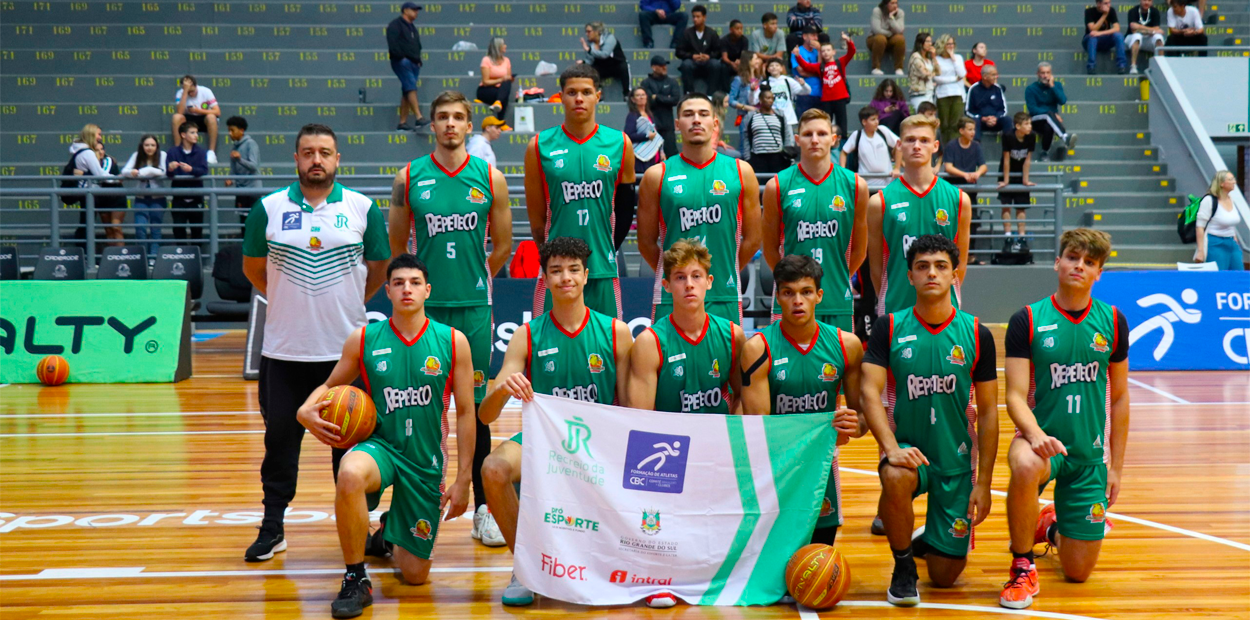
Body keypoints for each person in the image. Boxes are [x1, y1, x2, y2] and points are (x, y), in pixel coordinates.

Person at [293, 254, 476, 618]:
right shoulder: (363, 338)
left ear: (427, 290)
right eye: (398, 283)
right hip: (382, 448)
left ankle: (389, 530)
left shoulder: (454, 342)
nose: (406, 288)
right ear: (388, 291)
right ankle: (355, 578)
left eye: (414, 282)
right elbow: (330, 385)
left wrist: (464, 479)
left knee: (415, 575)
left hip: (426, 461)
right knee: (349, 473)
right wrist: (304, 410)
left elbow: (468, 413)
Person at [241, 123, 391, 563]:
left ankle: (360, 529)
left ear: (338, 159)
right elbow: (255, 271)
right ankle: (273, 528)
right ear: (296, 159)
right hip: (285, 352)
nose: (316, 160)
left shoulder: (362, 208)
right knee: (280, 442)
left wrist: (345, 303)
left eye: (325, 152)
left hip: (343, 353)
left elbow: (378, 267)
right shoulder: (267, 208)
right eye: (308, 152)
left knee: (351, 444)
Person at [387, 91, 514, 549]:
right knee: (415, 406)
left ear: (469, 125)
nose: (449, 125)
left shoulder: (490, 177)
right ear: (433, 126)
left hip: (475, 310)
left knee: (476, 409)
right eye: (441, 117)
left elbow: (502, 245)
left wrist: (476, 279)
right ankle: (408, 509)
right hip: (423, 312)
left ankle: (485, 508)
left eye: (458, 117)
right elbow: (400, 248)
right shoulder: (408, 178)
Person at [478, 237, 634, 608]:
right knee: (493, 469)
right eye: (556, 271)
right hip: (544, 441)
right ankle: (526, 567)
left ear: (586, 275)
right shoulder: (526, 335)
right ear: (544, 278)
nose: (565, 278)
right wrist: (502, 389)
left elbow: (632, 408)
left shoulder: (616, 333)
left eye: (573, 270)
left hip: (600, 442)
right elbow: (486, 415)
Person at [860, 233, 998, 607]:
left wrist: (984, 483)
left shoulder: (977, 333)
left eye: (940, 266)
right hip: (910, 450)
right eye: (922, 267)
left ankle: (926, 539)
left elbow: (987, 413)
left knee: (945, 577)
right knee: (893, 473)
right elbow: (868, 392)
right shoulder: (889, 327)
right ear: (909, 276)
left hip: (956, 461)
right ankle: (903, 565)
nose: (931, 274)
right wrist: (890, 448)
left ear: (956, 275)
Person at [998, 228, 1131, 609]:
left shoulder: (1113, 321)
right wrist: (1035, 434)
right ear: (1057, 263)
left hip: (1089, 456)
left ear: (1099, 273)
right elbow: (1014, 396)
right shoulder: (1027, 319)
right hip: (1044, 444)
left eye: (1090, 262)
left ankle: (1050, 527)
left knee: (1078, 572)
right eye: (1072, 258)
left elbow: (1120, 399)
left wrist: (1116, 467)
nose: (1079, 266)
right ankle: (1022, 566)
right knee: (1024, 464)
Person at [740, 254, 866, 546]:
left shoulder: (847, 345)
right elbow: (759, 430)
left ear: (819, 296)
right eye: (788, 293)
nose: (798, 301)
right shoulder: (758, 348)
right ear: (778, 298)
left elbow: (861, 422)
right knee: (776, 567)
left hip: (822, 468)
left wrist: (852, 425)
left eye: (806, 292)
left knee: (817, 563)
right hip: (777, 468)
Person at [638, 93, 761, 324]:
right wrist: (677, 276)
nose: (696, 120)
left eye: (703, 114)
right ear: (677, 124)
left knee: (727, 360)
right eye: (688, 114)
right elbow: (645, 243)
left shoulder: (741, 171)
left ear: (715, 123)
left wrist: (726, 272)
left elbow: (753, 240)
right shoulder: (656, 175)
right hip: (672, 297)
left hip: (724, 294)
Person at [524, 64, 636, 319]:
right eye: (572, 92)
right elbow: (537, 220)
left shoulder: (620, 143)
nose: (579, 98)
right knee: (550, 349)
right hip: (558, 271)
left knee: (609, 349)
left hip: (603, 268)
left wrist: (607, 248)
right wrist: (551, 254)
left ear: (598, 95)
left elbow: (626, 207)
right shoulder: (539, 146)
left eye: (586, 92)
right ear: (561, 96)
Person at [763, 108, 870, 331]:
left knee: (836, 365)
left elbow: (860, 250)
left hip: (836, 300)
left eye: (821, 134)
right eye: (808, 134)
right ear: (797, 139)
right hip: (791, 301)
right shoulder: (777, 185)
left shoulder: (855, 185)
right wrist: (791, 280)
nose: (814, 140)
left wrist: (836, 276)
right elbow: (770, 249)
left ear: (833, 139)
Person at [867, 114, 972, 317]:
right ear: (899, 145)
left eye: (924, 140)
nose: (917, 146)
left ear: (935, 146)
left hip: (944, 312)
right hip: (896, 310)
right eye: (910, 140)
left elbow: (960, 265)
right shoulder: (879, 202)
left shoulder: (959, 200)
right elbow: (877, 269)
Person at [627, 238, 746, 417]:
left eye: (696, 276)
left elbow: (743, 398)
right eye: (680, 277)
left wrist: (730, 434)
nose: (689, 284)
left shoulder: (732, 335)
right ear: (666, 286)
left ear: (709, 281)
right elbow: (639, 417)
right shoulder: (649, 343)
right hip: (669, 441)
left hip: (716, 437)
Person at [791, 33, 856, 139]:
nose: (826, 53)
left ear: (834, 52)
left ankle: (842, 146)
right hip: (826, 100)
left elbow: (851, 52)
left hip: (840, 98)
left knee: (842, 125)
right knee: (826, 125)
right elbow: (806, 66)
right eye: (823, 51)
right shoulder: (819, 66)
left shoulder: (840, 62)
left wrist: (848, 40)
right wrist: (798, 56)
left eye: (828, 50)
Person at [943, 118, 987, 263]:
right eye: (969, 129)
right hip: (953, 190)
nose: (972, 132)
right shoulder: (951, 145)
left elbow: (983, 166)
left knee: (972, 222)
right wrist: (965, 175)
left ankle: (970, 256)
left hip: (971, 191)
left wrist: (977, 174)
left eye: (973, 129)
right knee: (951, 220)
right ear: (961, 131)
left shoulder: (976, 146)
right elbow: (948, 167)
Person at [121, 134, 168, 255]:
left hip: (158, 198)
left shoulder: (162, 155)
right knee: (140, 228)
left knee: (155, 229)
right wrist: (132, 172)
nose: (150, 148)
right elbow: (124, 171)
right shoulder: (136, 155)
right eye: (147, 145)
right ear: (142, 146)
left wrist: (147, 170)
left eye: (153, 145)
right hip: (141, 198)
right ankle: (142, 256)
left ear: (157, 146)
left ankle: (153, 257)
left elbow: (164, 172)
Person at [387, 2, 430, 130]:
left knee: (407, 90)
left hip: (413, 63)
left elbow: (417, 45)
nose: (416, 12)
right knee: (411, 86)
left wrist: (417, 60)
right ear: (405, 10)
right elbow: (393, 44)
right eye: (414, 10)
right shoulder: (395, 25)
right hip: (403, 62)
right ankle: (418, 117)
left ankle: (402, 122)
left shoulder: (412, 27)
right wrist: (402, 57)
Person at [999, 112, 1037, 252]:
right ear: (1017, 126)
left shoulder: (1032, 136)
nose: (1030, 127)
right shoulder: (1008, 136)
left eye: (1030, 123)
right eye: (1026, 124)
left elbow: (1028, 159)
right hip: (1007, 171)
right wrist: (1006, 180)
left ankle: (1022, 238)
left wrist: (1025, 180)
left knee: (1021, 207)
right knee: (1006, 206)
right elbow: (1006, 159)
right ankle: (1008, 237)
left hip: (1020, 174)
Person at [166, 122, 209, 243]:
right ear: (183, 135)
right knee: (178, 230)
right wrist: (170, 168)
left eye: (196, 133)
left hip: (196, 198)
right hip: (179, 198)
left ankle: (197, 258)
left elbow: (204, 170)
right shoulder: (172, 152)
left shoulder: (201, 152)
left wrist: (191, 170)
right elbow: (168, 175)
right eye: (192, 132)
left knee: (197, 231)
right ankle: (182, 256)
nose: (196, 135)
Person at [1025, 62, 1078, 160]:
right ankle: (1065, 137)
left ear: (1051, 74)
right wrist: (1052, 114)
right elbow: (1032, 109)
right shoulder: (1031, 89)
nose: (1045, 76)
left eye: (1047, 73)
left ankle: (1044, 152)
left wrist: (1052, 86)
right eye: (1042, 73)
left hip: (1051, 121)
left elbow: (1063, 101)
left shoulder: (1056, 85)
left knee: (1048, 126)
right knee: (1048, 114)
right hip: (1036, 120)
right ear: (1038, 74)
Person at [841, 106, 901, 192]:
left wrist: (897, 168)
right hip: (866, 185)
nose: (877, 122)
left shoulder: (883, 131)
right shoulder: (857, 135)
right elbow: (844, 152)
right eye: (873, 119)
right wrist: (843, 170)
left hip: (887, 183)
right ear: (864, 122)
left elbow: (899, 145)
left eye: (877, 119)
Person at [1194, 171, 1245, 270]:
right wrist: (1201, 250)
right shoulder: (1209, 200)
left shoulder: (1231, 199)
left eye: (1234, 179)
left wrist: (1234, 238)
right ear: (1221, 183)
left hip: (1231, 242)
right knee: (1219, 275)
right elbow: (1200, 226)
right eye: (1230, 180)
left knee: (1238, 273)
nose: (1234, 182)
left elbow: (1231, 222)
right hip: (1215, 242)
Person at [741, 87, 794, 173]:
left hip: (777, 157)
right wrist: (748, 158)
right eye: (768, 98)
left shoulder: (780, 115)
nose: (771, 101)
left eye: (772, 98)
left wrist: (787, 154)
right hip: (758, 157)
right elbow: (746, 137)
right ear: (761, 100)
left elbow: (787, 134)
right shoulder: (751, 116)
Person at [172, 75, 221, 163]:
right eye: (188, 92)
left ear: (196, 86)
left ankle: (211, 152)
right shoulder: (181, 93)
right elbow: (179, 112)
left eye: (192, 91)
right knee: (176, 117)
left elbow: (217, 112)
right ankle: (178, 152)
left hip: (203, 118)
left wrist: (198, 110)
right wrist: (185, 92)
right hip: (188, 120)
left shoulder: (206, 91)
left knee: (212, 117)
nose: (191, 94)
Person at [675, 5, 722, 95]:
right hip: (693, 63)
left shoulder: (712, 33)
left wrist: (709, 56)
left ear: (704, 17)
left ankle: (711, 95)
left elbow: (718, 51)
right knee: (686, 64)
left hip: (707, 64)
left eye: (698, 17)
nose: (695, 19)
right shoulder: (687, 33)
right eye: (693, 17)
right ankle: (689, 93)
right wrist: (692, 56)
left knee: (715, 64)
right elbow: (679, 52)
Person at [643, 55, 682, 158]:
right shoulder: (646, 83)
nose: (665, 68)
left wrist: (657, 97)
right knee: (651, 154)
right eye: (661, 66)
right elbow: (648, 101)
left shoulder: (672, 82)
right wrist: (665, 98)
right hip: (652, 123)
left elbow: (675, 100)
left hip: (667, 124)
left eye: (665, 65)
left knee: (671, 153)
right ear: (654, 67)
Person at [582, 22, 631, 101]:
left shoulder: (610, 38)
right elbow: (590, 60)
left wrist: (589, 50)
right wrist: (583, 63)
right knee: (591, 70)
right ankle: (598, 94)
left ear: (597, 32)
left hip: (616, 65)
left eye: (589, 31)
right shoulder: (589, 43)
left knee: (624, 67)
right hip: (603, 67)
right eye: (586, 31)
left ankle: (627, 93)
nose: (587, 34)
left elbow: (605, 54)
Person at [933, 35, 967, 145]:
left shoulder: (958, 57)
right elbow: (937, 78)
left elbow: (962, 74)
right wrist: (954, 79)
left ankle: (954, 149)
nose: (951, 46)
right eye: (948, 44)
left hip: (957, 94)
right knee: (945, 124)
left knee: (955, 124)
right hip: (942, 94)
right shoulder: (936, 59)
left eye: (952, 44)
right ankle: (944, 149)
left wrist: (953, 58)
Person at [626, 87, 667, 177]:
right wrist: (646, 136)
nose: (641, 97)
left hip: (653, 155)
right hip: (641, 157)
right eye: (638, 95)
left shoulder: (649, 114)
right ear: (633, 99)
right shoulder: (632, 115)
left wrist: (661, 151)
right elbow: (628, 135)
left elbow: (655, 134)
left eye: (643, 95)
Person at [92, 142, 127, 246]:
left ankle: (121, 256)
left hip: (116, 197)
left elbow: (103, 176)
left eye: (102, 149)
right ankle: (112, 257)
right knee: (108, 231)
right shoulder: (89, 163)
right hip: (102, 199)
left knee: (116, 227)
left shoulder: (109, 160)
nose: (100, 152)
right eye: (97, 150)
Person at [965, 65, 1011, 142]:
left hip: (995, 120)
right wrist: (982, 118)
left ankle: (1009, 149)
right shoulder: (973, 89)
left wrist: (996, 118)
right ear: (985, 76)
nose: (996, 77)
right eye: (993, 75)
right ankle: (976, 148)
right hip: (980, 121)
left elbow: (1003, 110)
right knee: (974, 121)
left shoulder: (998, 89)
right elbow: (968, 111)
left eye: (996, 74)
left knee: (1008, 120)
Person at [225, 116, 260, 216]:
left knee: (253, 220)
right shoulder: (234, 148)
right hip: (240, 190)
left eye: (232, 130)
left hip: (253, 190)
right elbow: (233, 170)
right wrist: (230, 179)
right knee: (242, 220)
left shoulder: (251, 144)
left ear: (241, 130)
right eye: (228, 130)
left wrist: (240, 159)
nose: (229, 133)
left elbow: (254, 166)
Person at [764, 58, 810, 132]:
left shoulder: (788, 80)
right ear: (768, 69)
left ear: (781, 68)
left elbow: (806, 91)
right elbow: (754, 100)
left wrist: (803, 84)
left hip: (789, 119)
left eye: (777, 65)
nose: (774, 67)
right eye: (771, 66)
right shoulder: (765, 84)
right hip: (772, 120)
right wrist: (753, 91)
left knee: (790, 142)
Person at [1083, 0, 1128, 74]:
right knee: (1092, 38)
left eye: (1109, 2)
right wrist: (1104, 15)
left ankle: (1121, 65)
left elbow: (1117, 28)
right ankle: (1091, 66)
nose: (1108, 5)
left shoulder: (1111, 10)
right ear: (1098, 4)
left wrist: (1100, 33)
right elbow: (1093, 29)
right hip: (1089, 41)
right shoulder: (1089, 11)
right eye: (1106, 3)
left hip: (1104, 39)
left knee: (1119, 35)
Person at [477, 37, 514, 123]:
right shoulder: (486, 60)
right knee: (504, 95)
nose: (505, 46)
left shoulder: (507, 61)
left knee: (506, 84)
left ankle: (498, 102)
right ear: (498, 47)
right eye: (503, 44)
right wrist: (500, 79)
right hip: (486, 90)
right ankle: (500, 121)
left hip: (500, 90)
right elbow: (485, 82)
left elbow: (508, 77)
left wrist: (505, 79)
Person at [791, 25, 824, 118]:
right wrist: (818, 73)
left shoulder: (818, 51)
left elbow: (821, 68)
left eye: (817, 36)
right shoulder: (797, 51)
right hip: (804, 93)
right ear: (805, 36)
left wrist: (819, 51)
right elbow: (801, 72)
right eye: (813, 35)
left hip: (819, 93)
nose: (816, 38)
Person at [728, 50, 763, 135]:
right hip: (744, 116)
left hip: (759, 115)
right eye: (756, 58)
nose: (758, 61)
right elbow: (731, 100)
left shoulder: (760, 79)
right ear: (749, 61)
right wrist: (746, 107)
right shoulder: (739, 80)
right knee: (744, 143)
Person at [867, 0, 907, 76]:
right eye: (892, 3)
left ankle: (899, 68)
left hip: (891, 39)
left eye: (896, 3)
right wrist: (890, 33)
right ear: (886, 4)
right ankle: (876, 68)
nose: (895, 5)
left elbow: (900, 30)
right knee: (880, 38)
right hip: (874, 38)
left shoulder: (900, 12)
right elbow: (877, 30)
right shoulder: (877, 11)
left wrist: (891, 18)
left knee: (900, 39)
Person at [1126, 0, 1166, 73]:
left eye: (1149, 0)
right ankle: (1133, 66)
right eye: (1144, 0)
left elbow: (1157, 29)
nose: (1146, 3)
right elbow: (1134, 30)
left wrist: (1139, 27)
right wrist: (1151, 31)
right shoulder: (1133, 11)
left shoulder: (1155, 11)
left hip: (1148, 38)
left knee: (1159, 38)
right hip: (1131, 38)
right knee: (1137, 36)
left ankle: (1161, 67)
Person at [906, 32, 937, 111]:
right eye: (927, 41)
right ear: (920, 43)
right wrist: (933, 74)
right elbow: (925, 74)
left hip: (929, 92)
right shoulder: (916, 57)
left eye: (931, 41)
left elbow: (939, 71)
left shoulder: (928, 58)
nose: (930, 44)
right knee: (922, 116)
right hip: (919, 93)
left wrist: (934, 57)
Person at [721, 20, 750, 92]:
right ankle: (726, 91)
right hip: (728, 62)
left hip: (740, 62)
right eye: (737, 29)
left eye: (741, 29)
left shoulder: (744, 40)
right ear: (731, 30)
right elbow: (724, 57)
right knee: (723, 67)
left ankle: (744, 89)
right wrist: (731, 63)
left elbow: (744, 55)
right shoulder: (724, 40)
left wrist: (740, 61)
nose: (740, 31)